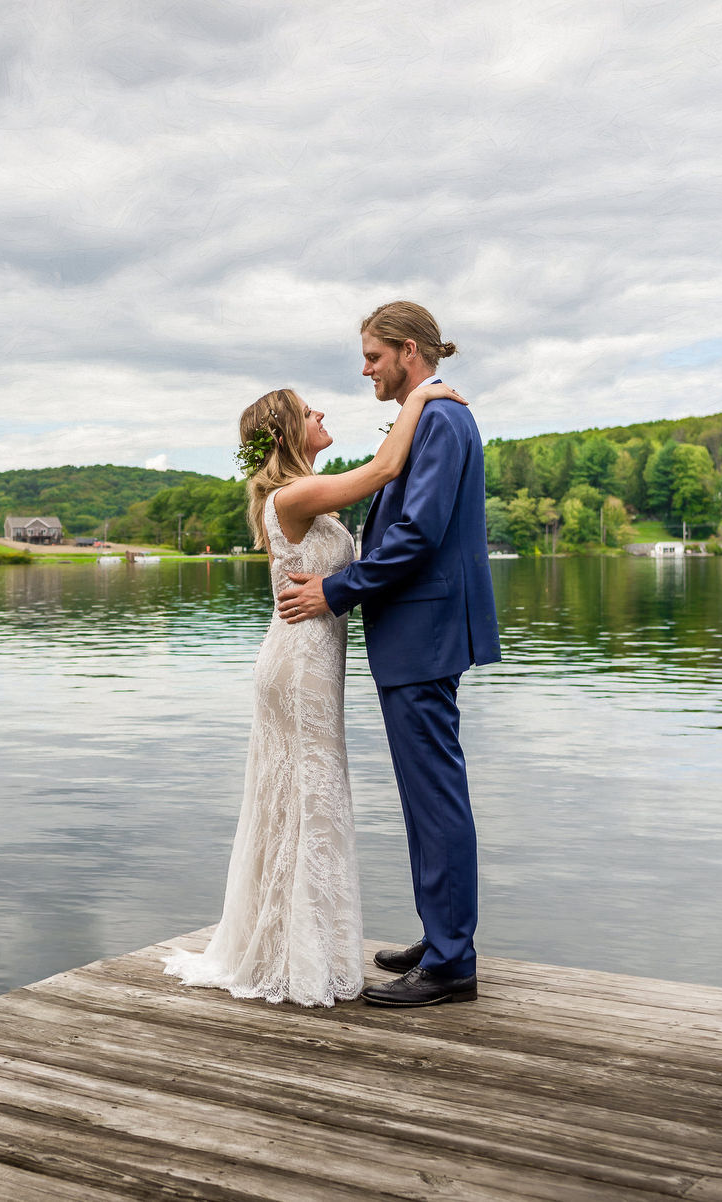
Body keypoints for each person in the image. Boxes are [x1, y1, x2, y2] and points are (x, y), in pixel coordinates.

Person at [164, 376, 464, 1006]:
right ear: (286, 434)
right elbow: (385, 468)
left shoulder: (305, 500)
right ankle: (297, 953)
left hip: (310, 663)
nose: (322, 411)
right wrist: (419, 398)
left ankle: (295, 939)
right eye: (307, 411)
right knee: (307, 798)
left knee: (301, 800)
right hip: (298, 667)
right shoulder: (294, 496)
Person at [277, 300, 500, 1008]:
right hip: (421, 633)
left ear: (408, 351)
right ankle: (442, 939)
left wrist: (336, 591)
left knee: (434, 797)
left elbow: (417, 537)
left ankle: (451, 963)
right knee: (427, 795)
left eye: (373, 356)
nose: (366, 368)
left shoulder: (438, 418)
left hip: (425, 633)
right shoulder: (431, 415)